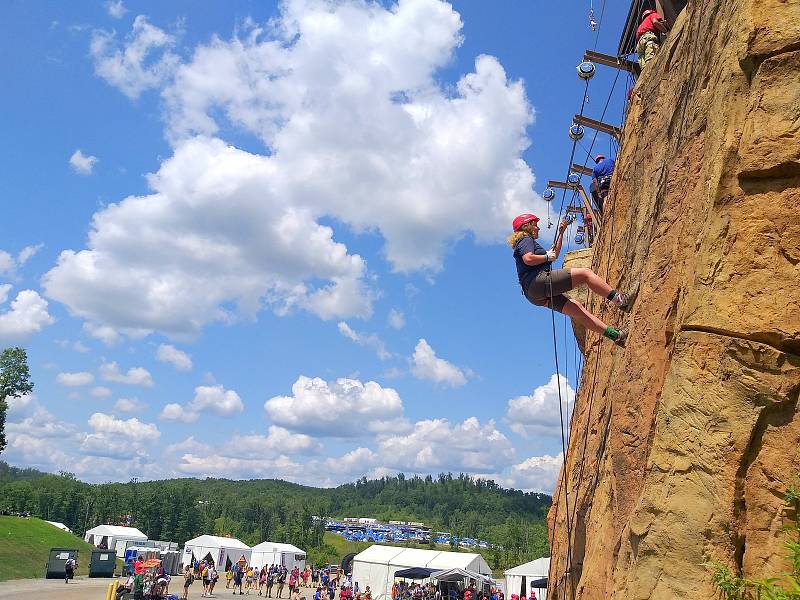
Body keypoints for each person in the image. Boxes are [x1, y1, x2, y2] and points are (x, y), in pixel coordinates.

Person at [509, 213, 638, 346]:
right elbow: (528, 259)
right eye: (535, 224)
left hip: (533, 294)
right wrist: (546, 257)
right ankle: (622, 301)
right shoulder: (525, 239)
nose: (538, 228)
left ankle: (616, 336)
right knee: (585, 274)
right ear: (526, 226)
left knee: (578, 310)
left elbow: (554, 254)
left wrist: (561, 233)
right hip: (537, 281)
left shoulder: (525, 242)